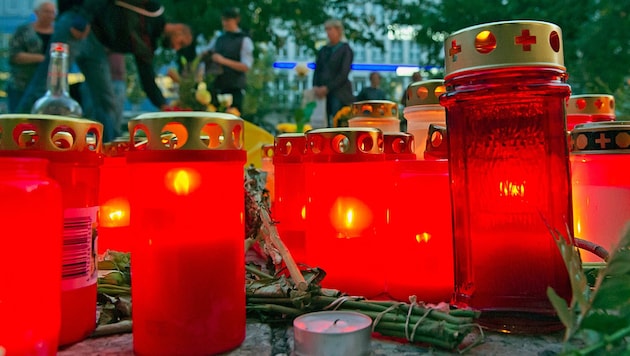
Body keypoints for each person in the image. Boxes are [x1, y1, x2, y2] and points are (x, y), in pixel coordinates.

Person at [16, 0, 192, 142]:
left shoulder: (148, 40)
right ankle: (15, 132)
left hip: (97, 44)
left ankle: (110, 147)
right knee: (47, 83)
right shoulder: (152, 9)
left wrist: (162, 104)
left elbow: (146, 73)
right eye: (181, 42)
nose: (176, 48)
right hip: (79, 25)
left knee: (105, 98)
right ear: (179, 29)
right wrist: (83, 18)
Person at [7, 0, 56, 113]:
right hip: (21, 86)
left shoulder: (59, 33)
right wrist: (42, 59)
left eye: (52, 12)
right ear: (36, 12)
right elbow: (14, 55)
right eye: (46, 11)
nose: (50, 15)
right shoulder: (24, 31)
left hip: (48, 89)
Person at [204, 7, 253, 113]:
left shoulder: (244, 40)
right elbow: (205, 53)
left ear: (236, 20)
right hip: (217, 87)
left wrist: (223, 61)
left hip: (234, 89)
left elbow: (245, 66)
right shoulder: (218, 39)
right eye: (223, 20)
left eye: (228, 20)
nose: (225, 23)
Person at [313, 19, 355, 127]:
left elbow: (343, 73)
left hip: (339, 94)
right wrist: (316, 87)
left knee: (337, 122)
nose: (328, 33)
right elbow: (317, 70)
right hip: (321, 96)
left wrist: (327, 88)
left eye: (330, 29)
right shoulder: (323, 50)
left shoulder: (345, 50)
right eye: (326, 30)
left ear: (338, 30)